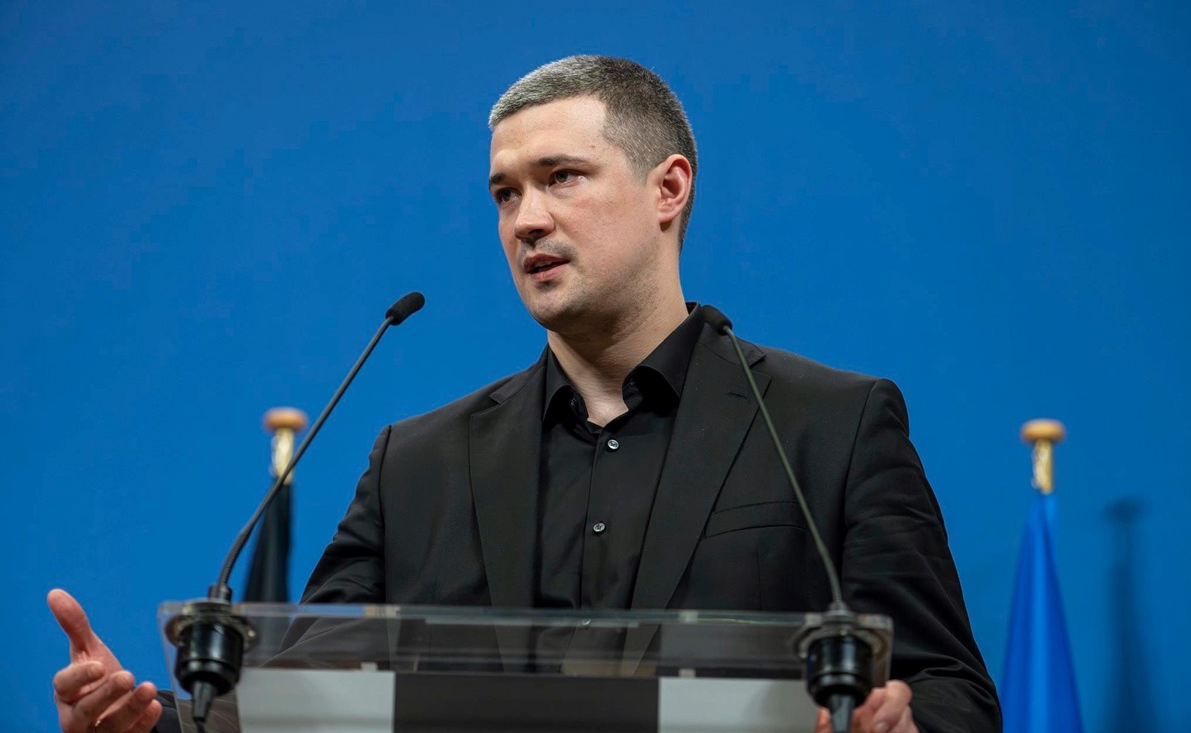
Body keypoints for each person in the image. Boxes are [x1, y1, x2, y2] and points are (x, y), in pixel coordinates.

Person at [49, 55, 1001, 733]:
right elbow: (304, 704)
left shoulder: (829, 426)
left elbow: (954, 692)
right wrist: (154, 726)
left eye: (561, 179)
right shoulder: (416, 464)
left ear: (669, 189)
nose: (526, 220)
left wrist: (905, 724)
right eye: (505, 194)